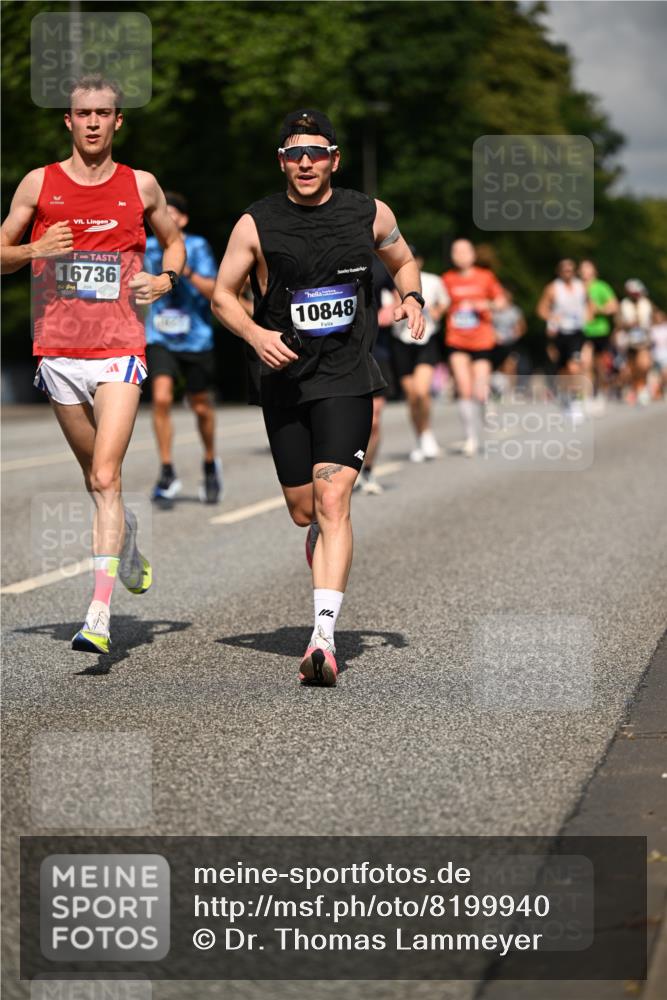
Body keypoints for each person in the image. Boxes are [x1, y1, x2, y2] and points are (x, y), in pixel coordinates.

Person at [211, 108, 424, 686]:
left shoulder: (369, 213)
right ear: (281, 160)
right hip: (283, 380)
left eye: (316, 153)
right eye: (292, 154)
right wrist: (256, 335)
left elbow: (403, 260)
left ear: (334, 158)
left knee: (335, 503)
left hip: (348, 376)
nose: (304, 163)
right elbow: (224, 297)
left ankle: (323, 639)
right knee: (305, 509)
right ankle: (318, 540)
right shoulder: (256, 223)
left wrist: (412, 298)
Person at [0, 75, 185, 654]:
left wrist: (166, 277)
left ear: (118, 121)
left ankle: (98, 615)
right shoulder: (40, 183)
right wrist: (35, 250)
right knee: (95, 479)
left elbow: (173, 242)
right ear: (69, 121)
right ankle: (126, 540)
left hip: (120, 350)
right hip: (58, 352)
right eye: (85, 114)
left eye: (105, 113)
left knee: (107, 476)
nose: (95, 123)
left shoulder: (142, 185)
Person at [145, 191, 222, 503]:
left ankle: (209, 462)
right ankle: (166, 469)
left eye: (172, 213)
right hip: (159, 336)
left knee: (200, 405)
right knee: (161, 398)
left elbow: (215, 290)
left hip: (196, 338)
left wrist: (182, 270)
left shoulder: (197, 246)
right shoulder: (147, 248)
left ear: (183, 219)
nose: (166, 218)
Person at [442, 239, 505, 456]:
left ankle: (488, 404)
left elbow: (501, 302)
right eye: (455, 251)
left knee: (479, 389)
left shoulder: (485, 277)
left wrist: (485, 304)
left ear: (473, 254)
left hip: (481, 339)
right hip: (456, 339)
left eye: (464, 251)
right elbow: (441, 304)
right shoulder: (447, 279)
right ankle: (470, 437)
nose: (460, 255)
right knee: (464, 388)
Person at [390, 246, 449, 461]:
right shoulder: (391, 280)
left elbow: (444, 302)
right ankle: (419, 437)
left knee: (422, 391)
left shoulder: (433, 281)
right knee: (412, 395)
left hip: (426, 339)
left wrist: (437, 311)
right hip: (401, 341)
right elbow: (387, 310)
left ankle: (427, 434)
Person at [536, 259, 587, 422]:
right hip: (559, 333)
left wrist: (589, 317)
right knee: (563, 370)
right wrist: (551, 317)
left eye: (571, 270)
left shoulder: (582, 287)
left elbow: (591, 305)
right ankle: (565, 398)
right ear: (559, 272)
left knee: (574, 367)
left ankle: (575, 402)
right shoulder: (552, 288)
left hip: (577, 332)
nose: (568, 273)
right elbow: (541, 309)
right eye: (565, 270)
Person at [579, 259, 618, 414]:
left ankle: (601, 393)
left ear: (594, 271)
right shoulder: (577, 287)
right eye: (582, 269)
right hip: (582, 331)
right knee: (585, 363)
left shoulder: (601, 287)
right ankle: (586, 398)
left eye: (588, 269)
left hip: (600, 331)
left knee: (600, 365)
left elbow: (614, 306)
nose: (584, 272)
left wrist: (598, 309)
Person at [617, 279, 654, 405]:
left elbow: (652, 320)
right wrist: (627, 324)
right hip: (629, 341)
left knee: (643, 365)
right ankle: (636, 388)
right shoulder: (624, 304)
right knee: (632, 368)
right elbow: (618, 322)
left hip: (643, 340)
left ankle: (642, 388)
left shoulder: (646, 304)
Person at [489, 286, 527, 401]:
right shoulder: (493, 310)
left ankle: (511, 392)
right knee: (495, 368)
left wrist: (517, 333)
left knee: (510, 366)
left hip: (510, 343)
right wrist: (493, 335)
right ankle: (493, 391)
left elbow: (522, 327)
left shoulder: (514, 311)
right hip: (494, 343)